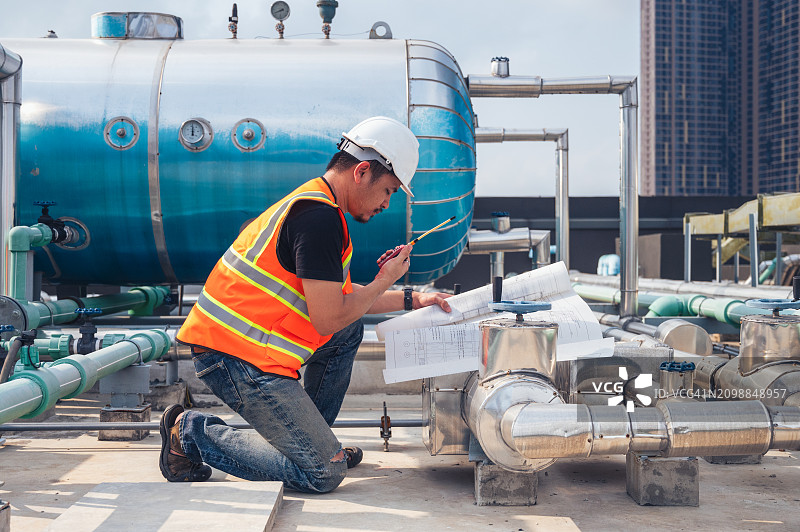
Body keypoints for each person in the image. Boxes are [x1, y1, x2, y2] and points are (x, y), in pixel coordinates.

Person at [160, 116, 452, 493]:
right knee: (324, 474)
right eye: (389, 190)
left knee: (349, 330)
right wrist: (386, 279)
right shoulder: (318, 219)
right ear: (362, 171)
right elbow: (329, 316)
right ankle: (190, 433)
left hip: (248, 349)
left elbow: (341, 303)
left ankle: (309, 444)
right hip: (234, 357)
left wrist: (414, 298)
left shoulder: (319, 206)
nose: (386, 202)